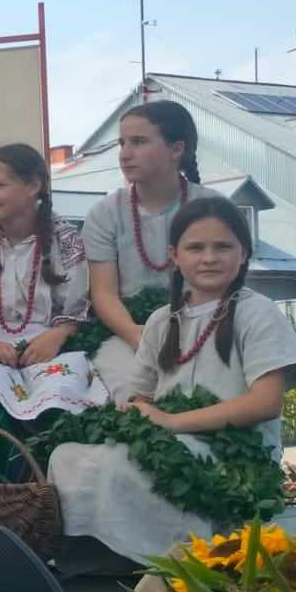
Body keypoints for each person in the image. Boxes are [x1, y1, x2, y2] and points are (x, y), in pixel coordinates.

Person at [47, 196, 296, 564]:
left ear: (244, 253)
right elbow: (140, 395)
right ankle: (101, 556)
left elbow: (266, 402)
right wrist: (140, 417)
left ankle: (170, 555)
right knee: (67, 456)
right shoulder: (161, 320)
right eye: (196, 248)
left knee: (118, 464)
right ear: (174, 255)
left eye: (223, 247)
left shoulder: (258, 313)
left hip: (231, 453)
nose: (209, 258)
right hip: (171, 438)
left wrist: (171, 422)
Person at [0, 144, 104, 482]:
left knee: (60, 391)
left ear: (33, 186)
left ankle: (50, 490)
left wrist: (58, 335)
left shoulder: (64, 238)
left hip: (49, 344)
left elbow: (77, 307)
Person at [81, 98, 224, 399]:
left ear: (176, 149)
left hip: (205, 325)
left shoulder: (213, 208)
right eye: (122, 143)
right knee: (129, 389)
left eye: (139, 142)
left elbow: (226, 283)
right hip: (128, 332)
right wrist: (138, 336)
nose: (125, 154)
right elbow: (104, 293)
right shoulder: (105, 213)